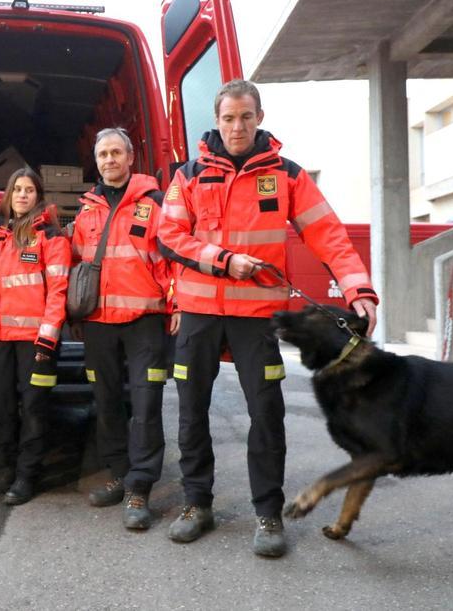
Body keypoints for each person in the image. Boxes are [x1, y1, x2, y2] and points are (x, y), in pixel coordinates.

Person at [157, 79, 378, 557]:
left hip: (258, 315)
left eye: (246, 117)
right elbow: (168, 236)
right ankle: (197, 504)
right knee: (191, 412)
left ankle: (268, 514)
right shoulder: (188, 174)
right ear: (216, 121)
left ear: (259, 118)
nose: (237, 127)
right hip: (198, 313)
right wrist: (222, 259)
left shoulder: (287, 174)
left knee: (267, 414)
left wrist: (359, 290)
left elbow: (331, 237)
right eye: (228, 118)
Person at [69, 128, 177, 531]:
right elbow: (78, 266)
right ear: (96, 161)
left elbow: (172, 261)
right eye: (103, 154)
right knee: (106, 402)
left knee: (147, 406)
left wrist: (176, 304)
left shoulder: (156, 204)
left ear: (131, 157)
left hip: (145, 321)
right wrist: (74, 315)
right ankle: (118, 473)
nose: (109, 160)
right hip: (98, 323)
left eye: (116, 152)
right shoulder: (86, 210)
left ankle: (140, 488)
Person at [0, 168, 71, 506]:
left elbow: (58, 290)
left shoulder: (51, 237)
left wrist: (48, 337)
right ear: (8, 194)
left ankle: (26, 474)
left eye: (29, 190)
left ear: (38, 196)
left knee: (34, 406)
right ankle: (9, 465)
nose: (22, 195)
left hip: (36, 339)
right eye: (17, 189)